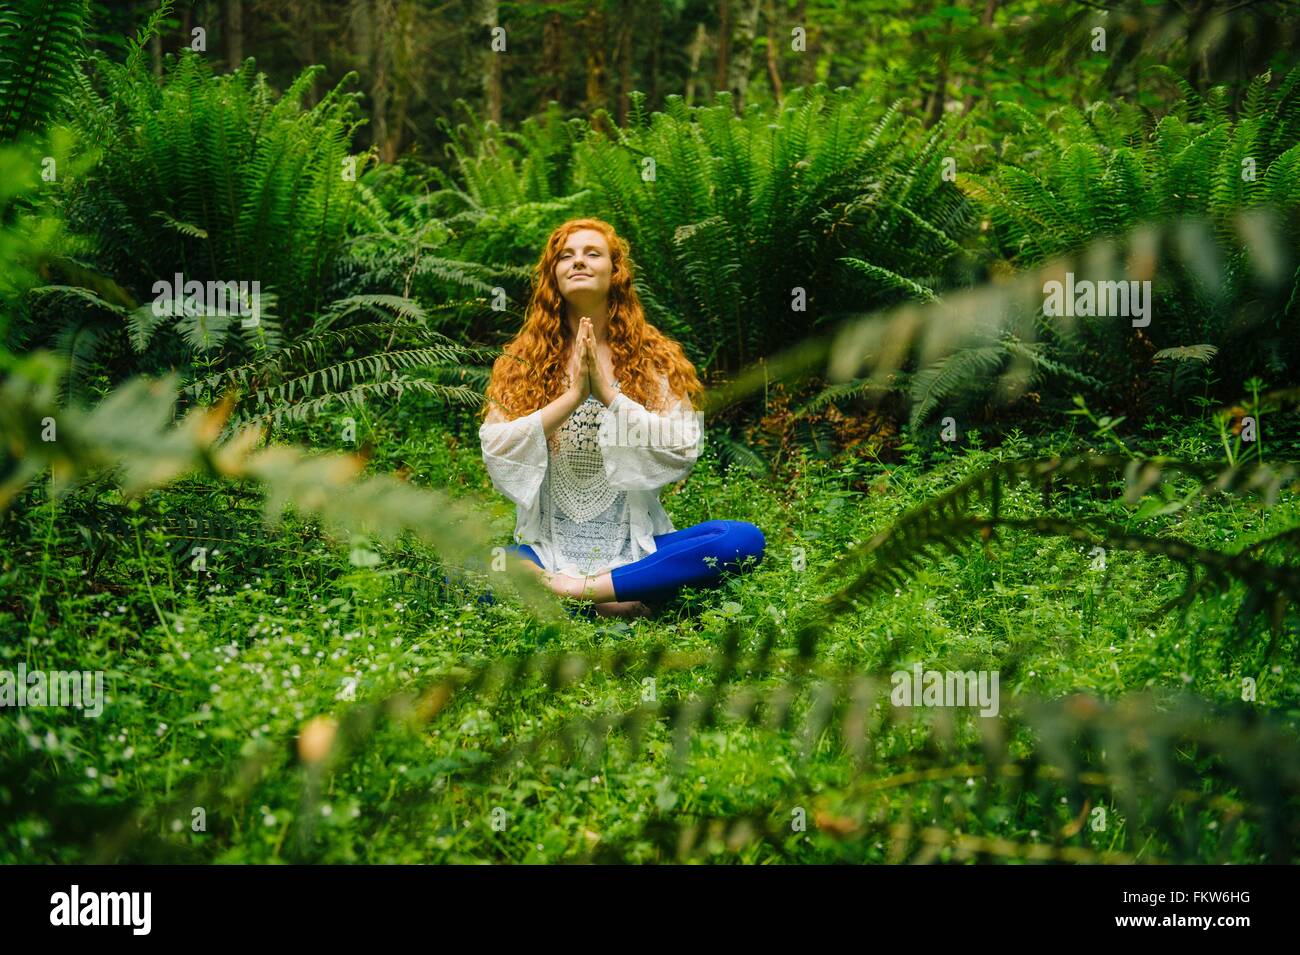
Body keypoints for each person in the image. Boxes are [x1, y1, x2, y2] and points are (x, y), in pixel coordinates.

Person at [478, 217, 765, 617]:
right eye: (566, 256)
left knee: (739, 539)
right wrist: (574, 397)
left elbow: (684, 445)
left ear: (616, 272)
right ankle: (624, 600)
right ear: (553, 275)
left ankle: (583, 594)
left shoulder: (653, 358)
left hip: (639, 548)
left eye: (592, 253)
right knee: (473, 571)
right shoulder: (522, 363)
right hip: (546, 552)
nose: (578, 261)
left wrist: (609, 396)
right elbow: (496, 446)